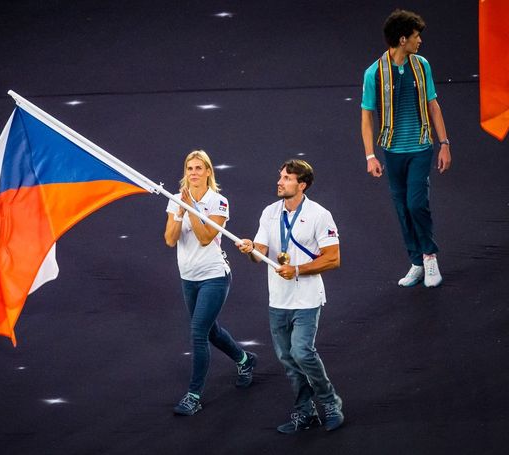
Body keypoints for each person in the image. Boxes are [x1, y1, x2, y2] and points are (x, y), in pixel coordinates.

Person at [237, 159, 344, 433]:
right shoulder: (269, 213)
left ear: (302, 184)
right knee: (287, 358)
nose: (280, 181)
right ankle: (305, 411)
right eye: (280, 176)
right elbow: (259, 254)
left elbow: (333, 259)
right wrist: (250, 248)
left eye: (286, 178)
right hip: (278, 300)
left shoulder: (320, 215)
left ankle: (330, 402)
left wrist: (297, 269)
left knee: (302, 352)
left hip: (307, 299)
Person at [360, 9, 452, 288]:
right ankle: (416, 261)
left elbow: (433, 105)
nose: (420, 41)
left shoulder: (422, 65)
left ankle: (429, 256)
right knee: (402, 208)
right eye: (416, 36)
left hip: (420, 147)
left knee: (416, 204)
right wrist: (370, 155)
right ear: (402, 40)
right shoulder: (374, 73)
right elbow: (366, 116)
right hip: (392, 151)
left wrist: (444, 144)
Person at [164, 149, 257, 416]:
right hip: (188, 277)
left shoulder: (219, 202)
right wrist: (180, 210)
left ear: (208, 172)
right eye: (189, 169)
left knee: (197, 333)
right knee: (210, 330)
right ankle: (245, 359)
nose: (193, 173)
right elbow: (170, 239)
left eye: (198, 168)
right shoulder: (175, 199)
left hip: (214, 276)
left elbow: (205, 237)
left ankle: (193, 396)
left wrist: (191, 207)